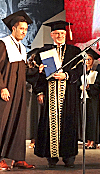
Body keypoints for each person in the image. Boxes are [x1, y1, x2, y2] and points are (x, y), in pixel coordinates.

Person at [0, 10, 35, 171]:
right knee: (1, 124)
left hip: (19, 93)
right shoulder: (3, 44)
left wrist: (37, 70)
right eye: (21, 28)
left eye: (26, 29)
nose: (24, 32)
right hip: (5, 92)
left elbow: (22, 71)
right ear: (13, 28)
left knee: (19, 123)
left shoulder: (22, 48)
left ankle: (18, 159)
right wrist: (1, 87)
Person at [33, 20, 82, 168]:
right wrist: (39, 91)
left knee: (69, 122)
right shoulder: (43, 52)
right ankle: (51, 157)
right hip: (50, 93)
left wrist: (66, 75)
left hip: (68, 94)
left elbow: (80, 71)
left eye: (62, 33)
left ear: (66, 35)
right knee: (49, 123)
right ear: (52, 35)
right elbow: (38, 75)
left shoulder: (75, 52)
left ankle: (69, 156)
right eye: (57, 33)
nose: (60, 36)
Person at [80, 48, 100, 149]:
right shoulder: (81, 72)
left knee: (92, 120)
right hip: (83, 98)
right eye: (86, 59)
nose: (87, 61)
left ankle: (93, 141)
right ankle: (87, 140)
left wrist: (90, 87)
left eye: (89, 59)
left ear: (93, 61)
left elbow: (98, 86)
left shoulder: (97, 73)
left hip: (93, 99)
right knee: (85, 120)